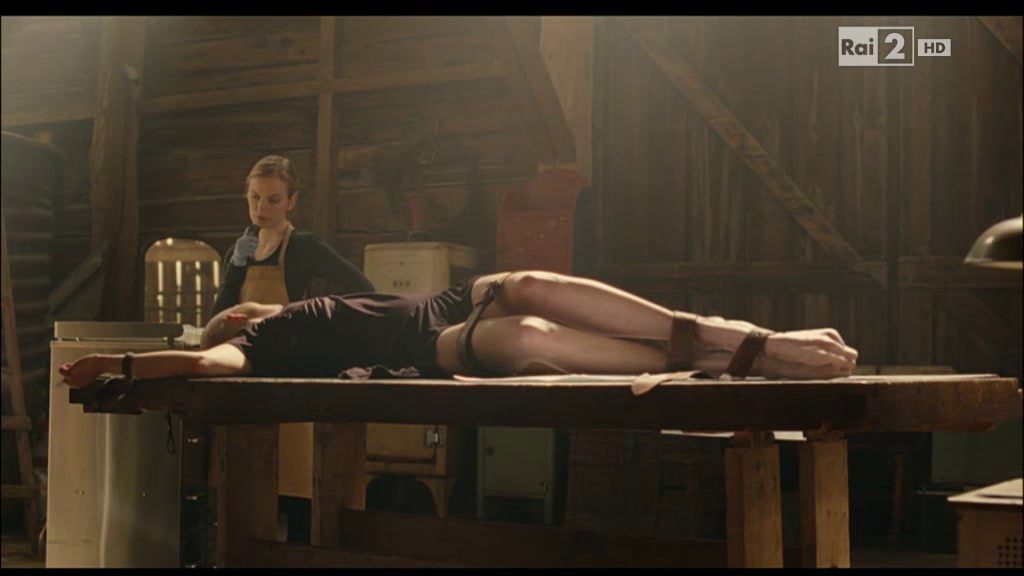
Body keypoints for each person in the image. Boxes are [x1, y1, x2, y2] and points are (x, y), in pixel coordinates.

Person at [60, 270, 858, 389]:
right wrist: (118, 363)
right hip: (426, 348)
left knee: (528, 287)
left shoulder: (297, 302)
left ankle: (713, 335)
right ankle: (736, 352)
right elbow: (203, 368)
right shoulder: (251, 346)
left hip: (443, 301)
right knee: (529, 335)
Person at [210, 154, 374, 317]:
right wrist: (236, 265)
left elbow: (363, 287)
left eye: (273, 200)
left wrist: (322, 320)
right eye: (255, 197)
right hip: (243, 335)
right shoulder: (237, 253)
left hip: (287, 335)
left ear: (291, 201)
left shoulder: (303, 246)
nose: (261, 207)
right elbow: (218, 319)